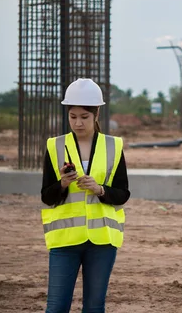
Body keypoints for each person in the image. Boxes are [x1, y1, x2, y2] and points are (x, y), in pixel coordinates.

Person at [40, 78, 130, 313]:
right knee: (56, 307)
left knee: (93, 307)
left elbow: (122, 193)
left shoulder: (114, 146)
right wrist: (62, 184)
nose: (78, 123)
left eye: (84, 117)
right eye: (73, 117)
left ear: (96, 114)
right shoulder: (54, 146)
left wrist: (100, 189)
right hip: (65, 240)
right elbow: (46, 196)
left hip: (102, 242)